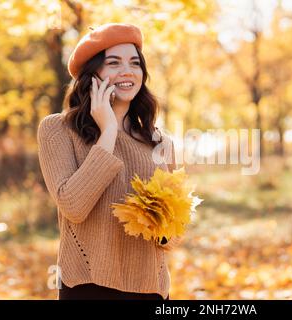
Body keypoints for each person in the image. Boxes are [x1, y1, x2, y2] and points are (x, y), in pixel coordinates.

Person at [37, 23, 182, 300]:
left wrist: (163, 226)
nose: (127, 71)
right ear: (92, 76)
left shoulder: (160, 141)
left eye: (135, 63)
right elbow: (74, 207)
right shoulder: (57, 130)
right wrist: (108, 132)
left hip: (150, 289)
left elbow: (174, 231)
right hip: (87, 287)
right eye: (113, 63)